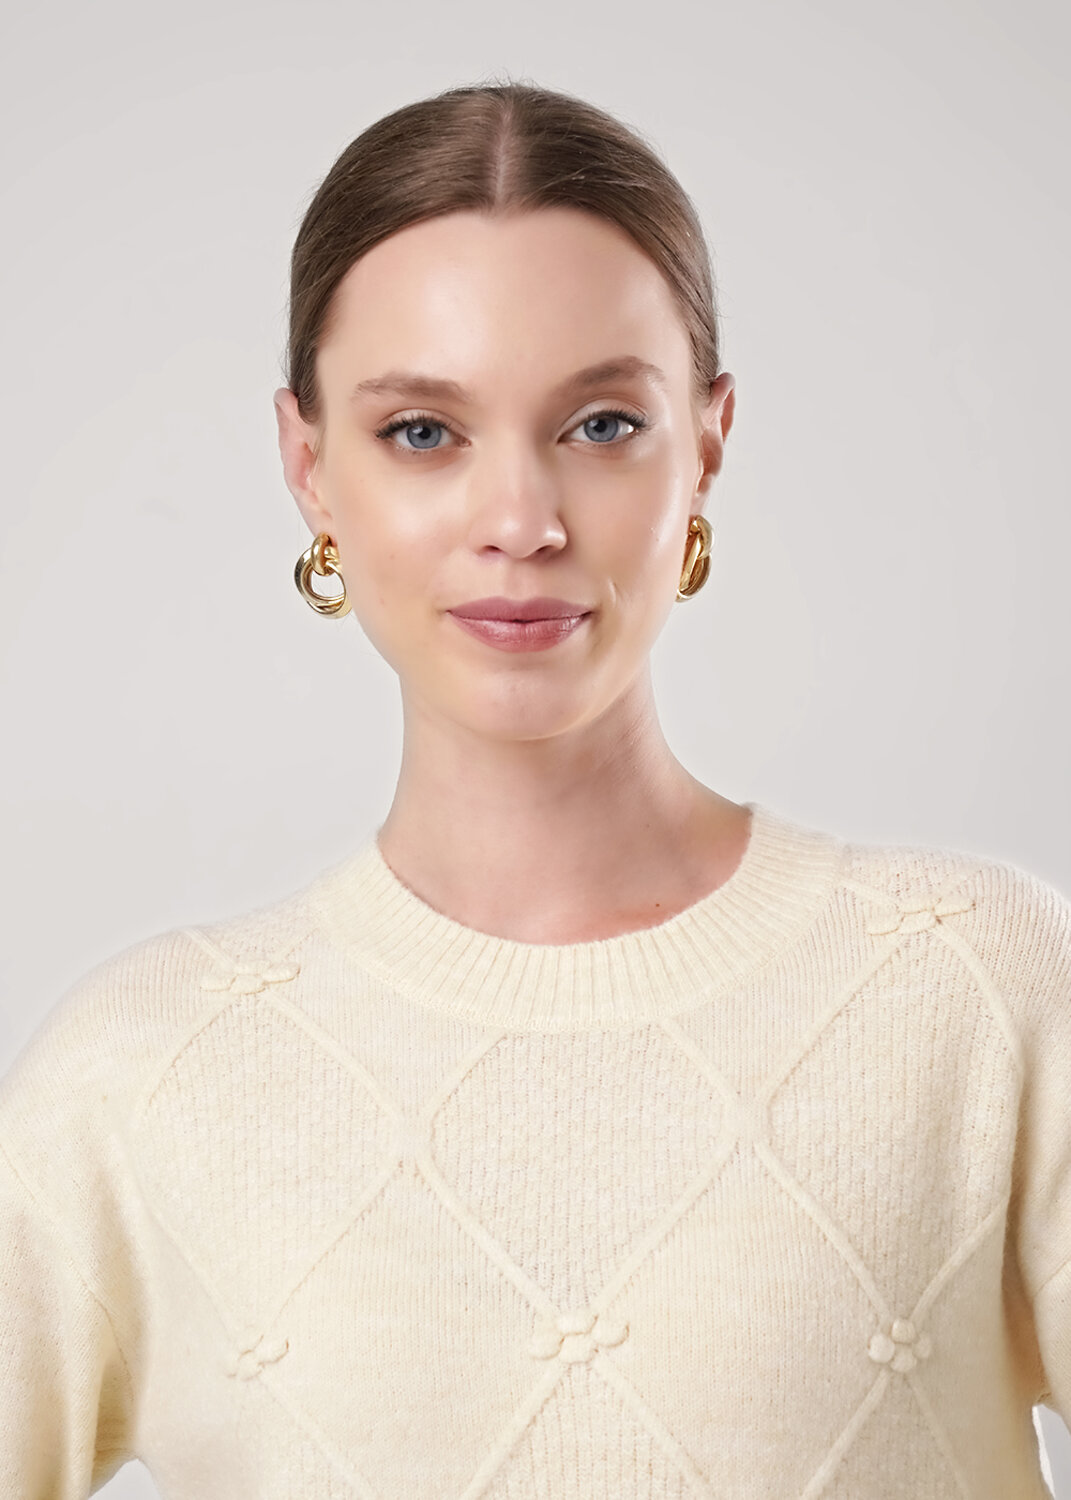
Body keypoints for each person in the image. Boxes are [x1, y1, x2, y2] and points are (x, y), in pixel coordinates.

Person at [1, 79, 1069, 1500]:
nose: (520, 522)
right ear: (309, 466)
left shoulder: (986, 994)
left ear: (709, 443)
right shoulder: (136, 1078)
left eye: (603, 425)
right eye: (422, 433)